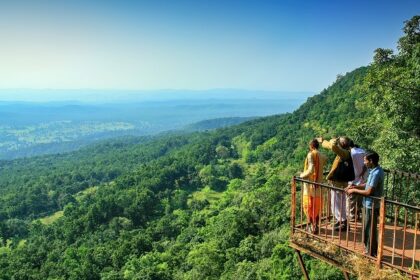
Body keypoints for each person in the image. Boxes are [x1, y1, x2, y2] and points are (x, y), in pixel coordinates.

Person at [345, 151, 384, 256]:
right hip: (368, 204)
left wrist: (353, 191)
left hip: (371, 204)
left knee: (369, 229)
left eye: (365, 160)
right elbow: (368, 185)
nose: (364, 163)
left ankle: (371, 252)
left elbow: (368, 192)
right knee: (367, 228)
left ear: (371, 161)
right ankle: (370, 250)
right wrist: (355, 186)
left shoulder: (376, 173)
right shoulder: (374, 170)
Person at [317, 136, 353, 231]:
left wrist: (334, 140)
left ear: (342, 144)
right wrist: (322, 141)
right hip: (340, 181)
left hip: (339, 181)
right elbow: (330, 146)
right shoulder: (344, 151)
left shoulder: (345, 153)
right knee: (337, 202)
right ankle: (339, 220)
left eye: (339, 142)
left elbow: (332, 146)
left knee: (338, 202)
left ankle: (343, 223)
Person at [299, 139, 327, 234]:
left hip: (310, 185)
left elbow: (310, 169)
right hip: (319, 184)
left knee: (308, 206)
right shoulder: (322, 155)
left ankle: (312, 226)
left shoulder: (310, 154)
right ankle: (316, 226)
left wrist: (302, 175)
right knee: (317, 206)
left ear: (311, 146)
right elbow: (324, 162)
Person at [346, 140, 367, 222]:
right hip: (362, 179)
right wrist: (362, 172)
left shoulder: (351, 154)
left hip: (352, 179)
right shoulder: (362, 151)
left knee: (351, 199)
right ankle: (358, 214)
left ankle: (351, 216)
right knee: (360, 199)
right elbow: (365, 165)